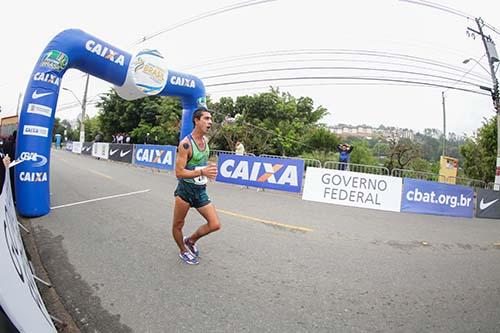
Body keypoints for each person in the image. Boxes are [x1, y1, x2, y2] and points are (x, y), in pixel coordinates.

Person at [172, 107, 220, 265]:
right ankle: (183, 250)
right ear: (196, 120)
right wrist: (202, 173)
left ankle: (190, 241)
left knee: (214, 224)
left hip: (200, 191)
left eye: (210, 119)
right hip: (185, 191)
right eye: (206, 118)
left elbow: (200, 165)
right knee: (178, 224)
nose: (210, 122)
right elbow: (179, 173)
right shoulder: (185, 144)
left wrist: (208, 171)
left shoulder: (205, 142)